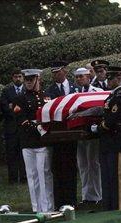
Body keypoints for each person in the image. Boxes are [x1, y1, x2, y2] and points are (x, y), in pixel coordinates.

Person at [14, 68, 54, 212]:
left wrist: (43, 128)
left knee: (44, 173)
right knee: (32, 175)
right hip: (28, 140)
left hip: (43, 141)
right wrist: (36, 127)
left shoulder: (46, 96)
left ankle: (48, 207)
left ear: (38, 79)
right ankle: (37, 208)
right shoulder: (20, 98)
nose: (28, 82)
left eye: (31, 80)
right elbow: (21, 119)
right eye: (26, 80)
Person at [94, 66, 121, 211]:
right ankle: (108, 206)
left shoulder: (120, 96)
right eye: (107, 78)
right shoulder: (111, 96)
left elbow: (114, 117)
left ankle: (119, 206)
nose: (108, 81)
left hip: (116, 139)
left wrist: (99, 127)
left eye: (111, 78)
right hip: (107, 140)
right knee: (107, 175)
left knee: (116, 176)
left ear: (119, 79)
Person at [46, 62, 78, 208]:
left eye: (57, 72)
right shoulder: (50, 91)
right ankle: (60, 200)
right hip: (57, 134)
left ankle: (72, 199)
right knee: (58, 167)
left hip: (73, 132)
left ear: (65, 71)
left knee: (71, 167)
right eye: (53, 73)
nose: (55, 75)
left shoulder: (75, 88)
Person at [73, 67, 103, 207]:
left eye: (82, 76)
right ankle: (86, 195)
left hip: (92, 133)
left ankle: (97, 194)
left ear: (89, 77)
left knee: (94, 164)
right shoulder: (73, 93)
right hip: (78, 133)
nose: (80, 79)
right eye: (77, 77)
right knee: (83, 165)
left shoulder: (96, 92)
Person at [0, 68, 26, 184]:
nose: (18, 78)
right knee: (12, 154)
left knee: (24, 153)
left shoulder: (26, 90)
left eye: (20, 76)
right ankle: (13, 178)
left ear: (23, 77)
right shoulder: (6, 91)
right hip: (11, 127)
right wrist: (17, 108)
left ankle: (24, 177)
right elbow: (5, 107)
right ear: (12, 78)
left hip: (24, 126)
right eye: (16, 76)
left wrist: (14, 106)